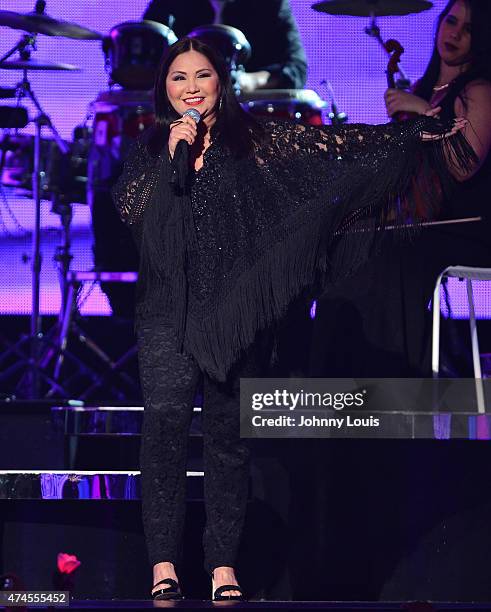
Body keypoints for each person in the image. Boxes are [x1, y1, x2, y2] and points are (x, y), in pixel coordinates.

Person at [112, 36, 470, 601]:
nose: (191, 89)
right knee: (164, 435)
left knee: (227, 440)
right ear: (164, 89)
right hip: (165, 317)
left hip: (230, 315)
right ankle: (163, 564)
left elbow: (331, 149)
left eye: (201, 76)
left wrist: (405, 136)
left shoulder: (252, 139)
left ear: (220, 82)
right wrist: (174, 158)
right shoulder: (151, 151)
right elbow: (139, 221)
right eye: (179, 79)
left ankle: (222, 567)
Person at [309, 0, 491, 378]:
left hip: (459, 226)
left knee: (382, 259)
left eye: (469, 28)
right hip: (421, 222)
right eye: (451, 21)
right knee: (342, 250)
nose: (454, 33)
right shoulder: (429, 87)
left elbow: (462, 165)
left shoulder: (479, 90)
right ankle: (331, 386)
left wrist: (423, 111)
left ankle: (387, 391)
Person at [143, 0, 307, 91]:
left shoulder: (271, 4)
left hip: (248, 120)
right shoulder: (169, 4)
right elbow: (142, 61)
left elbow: (296, 68)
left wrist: (249, 81)